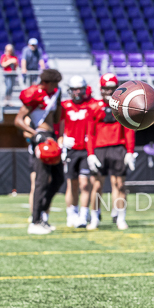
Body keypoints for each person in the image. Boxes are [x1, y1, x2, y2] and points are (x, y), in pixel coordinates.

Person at [14, 69, 63, 235]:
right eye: (55, 83)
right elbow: (18, 120)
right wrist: (35, 135)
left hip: (52, 137)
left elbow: (56, 119)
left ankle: (42, 215)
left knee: (58, 179)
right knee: (41, 181)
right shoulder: (34, 94)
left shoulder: (55, 94)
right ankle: (34, 221)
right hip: (41, 137)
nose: (57, 86)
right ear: (46, 83)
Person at [87, 73, 136, 230]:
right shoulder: (94, 107)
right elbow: (90, 133)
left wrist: (129, 151)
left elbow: (129, 130)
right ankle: (94, 217)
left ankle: (120, 216)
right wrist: (90, 154)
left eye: (112, 88)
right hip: (100, 149)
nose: (109, 92)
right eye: (106, 89)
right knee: (96, 186)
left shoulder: (123, 107)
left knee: (119, 185)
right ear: (101, 89)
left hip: (117, 148)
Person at [61, 76, 96, 228]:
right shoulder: (64, 106)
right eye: (74, 89)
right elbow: (57, 126)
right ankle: (71, 214)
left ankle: (83, 214)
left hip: (86, 150)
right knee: (71, 184)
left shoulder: (91, 105)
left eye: (80, 89)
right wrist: (61, 141)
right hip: (70, 150)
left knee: (84, 184)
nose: (77, 92)